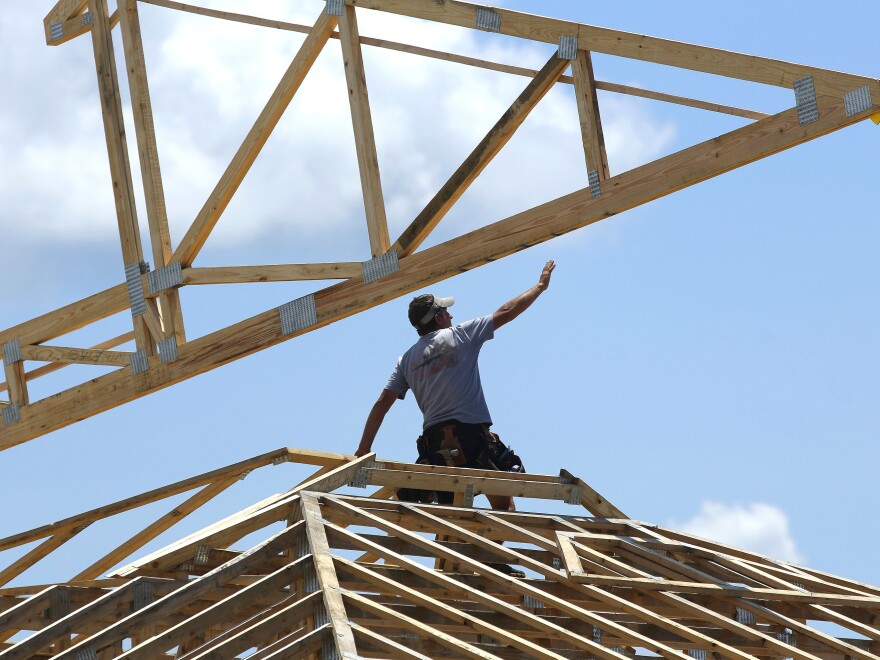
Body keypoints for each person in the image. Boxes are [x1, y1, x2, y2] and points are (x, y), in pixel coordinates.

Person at [355, 260, 556, 513]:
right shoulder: (460, 335)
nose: (452, 316)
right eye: (447, 312)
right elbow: (506, 311)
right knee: (506, 510)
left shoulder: (406, 360)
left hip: (435, 445)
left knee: (450, 516)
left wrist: (363, 449)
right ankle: (484, 551)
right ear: (438, 318)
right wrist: (539, 287)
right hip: (471, 439)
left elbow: (383, 401)